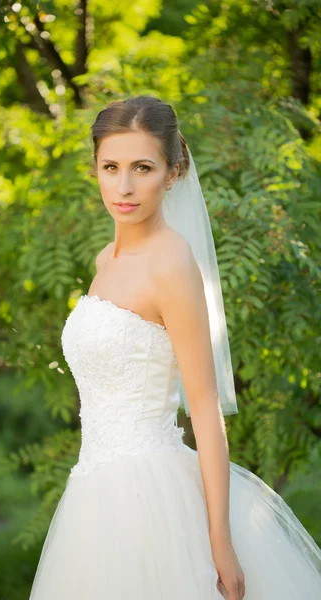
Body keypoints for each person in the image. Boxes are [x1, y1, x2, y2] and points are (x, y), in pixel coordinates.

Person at [28, 96, 321, 599]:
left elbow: (205, 407)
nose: (123, 186)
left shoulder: (172, 263)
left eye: (142, 168)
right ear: (94, 169)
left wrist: (220, 541)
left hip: (153, 496)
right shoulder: (105, 260)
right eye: (110, 167)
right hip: (94, 493)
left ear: (173, 172)